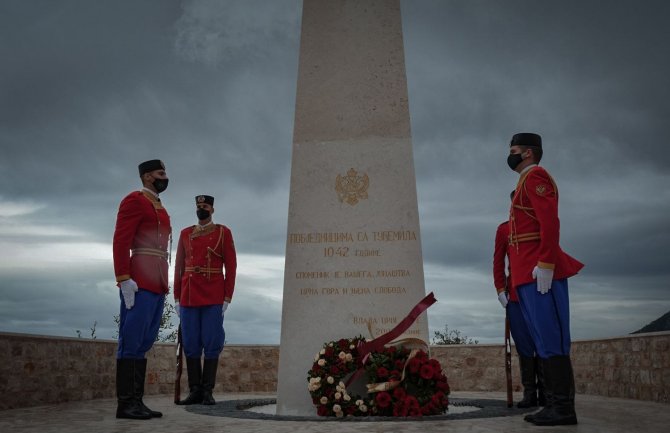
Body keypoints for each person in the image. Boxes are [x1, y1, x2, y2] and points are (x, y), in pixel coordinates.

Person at [506, 133, 584, 426]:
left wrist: (547, 263)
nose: (510, 155)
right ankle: (553, 404)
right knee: (541, 337)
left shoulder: (536, 176)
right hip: (527, 271)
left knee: (551, 338)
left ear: (527, 153)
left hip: (540, 270)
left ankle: (563, 408)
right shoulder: (523, 181)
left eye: (513, 150)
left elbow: (549, 221)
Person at [113, 159, 171, 420]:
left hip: (157, 280)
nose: (165, 177)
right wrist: (124, 278)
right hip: (138, 280)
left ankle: (137, 401)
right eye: (160, 173)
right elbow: (121, 240)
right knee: (132, 340)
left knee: (145, 341)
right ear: (147, 177)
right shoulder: (134, 200)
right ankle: (125, 404)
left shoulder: (159, 207)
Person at [173, 195, 237, 405]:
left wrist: (227, 296)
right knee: (190, 343)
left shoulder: (223, 233)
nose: (202, 209)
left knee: (211, 341)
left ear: (212, 209)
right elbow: (179, 267)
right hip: (189, 294)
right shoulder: (185, 233)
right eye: (199, 206)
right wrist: (176, 296)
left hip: (213, 294)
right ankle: (195, 391)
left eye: (205, 206)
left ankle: (208, 391)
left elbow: (231, 266)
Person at [494, 191, 545, 409]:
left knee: (543, 344)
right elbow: (497, 262)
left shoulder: (541, 225)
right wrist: (499, 290)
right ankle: (530, 393)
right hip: (514, 295)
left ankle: (547, 392)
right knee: (524, 345)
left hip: (540, 292)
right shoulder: (504, 229)